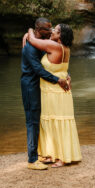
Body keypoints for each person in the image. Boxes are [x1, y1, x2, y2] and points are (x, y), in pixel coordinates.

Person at [27, 24, 82, 168]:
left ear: (61, 36)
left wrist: (30, 30)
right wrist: (68, 76)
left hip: (54, 91)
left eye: (55, 30)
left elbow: (32, 40)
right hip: (59, 90)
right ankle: (53, 154)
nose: (52, 31)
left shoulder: (54, 46)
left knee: (56, 121)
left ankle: (62, 157)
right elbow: (62, 69)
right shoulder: (66, 49)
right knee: (54, 121)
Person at [21, 17, 70, 170]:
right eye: (47, 29)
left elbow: (51, 64)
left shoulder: (40, 43)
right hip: (30, 86)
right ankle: (32, 160)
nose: (50, 31)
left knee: (39, 120)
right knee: (32, 122)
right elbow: (38, 70)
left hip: (39, 86)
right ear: (38, 29)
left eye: (51, 28)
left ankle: (42, 154)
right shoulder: (30, 46)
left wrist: (64, 74)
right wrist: (58, 80)